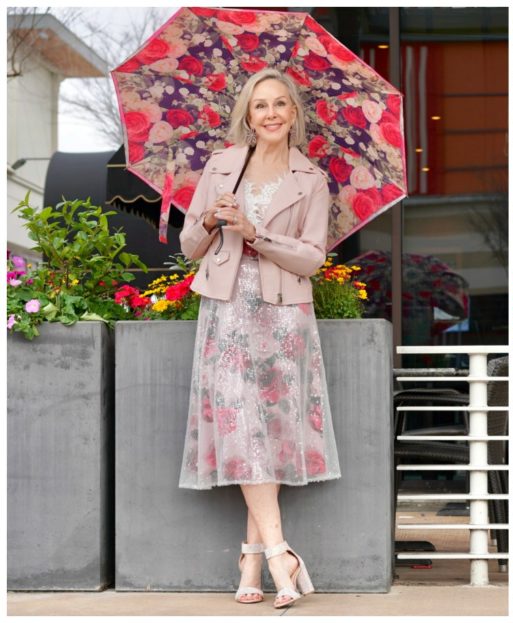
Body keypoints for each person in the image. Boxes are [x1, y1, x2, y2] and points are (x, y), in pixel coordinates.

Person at [177, 68, 340, 609]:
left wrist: (256, 233)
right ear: (247, 115)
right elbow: (188, 247)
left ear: (294, 114)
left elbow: (313, 257)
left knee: (263, 433)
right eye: (259, 105)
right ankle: (278, 555)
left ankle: (251, 557)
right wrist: (207, 218)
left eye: (280, 104)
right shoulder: (221, 166)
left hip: (281, 316)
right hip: (225, 311)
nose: (269, 114)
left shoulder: (311, 180)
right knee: (240, 423)